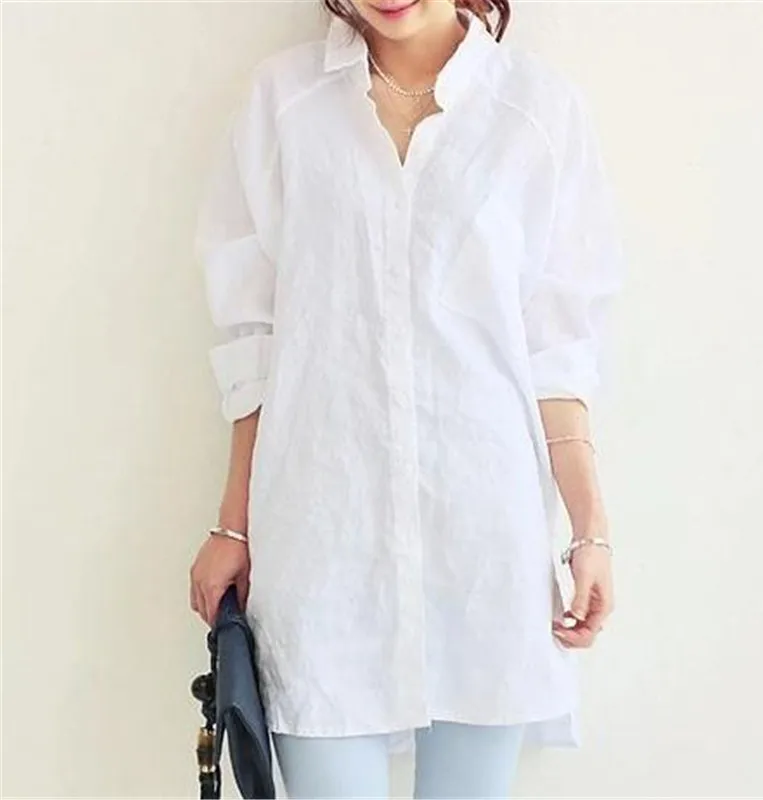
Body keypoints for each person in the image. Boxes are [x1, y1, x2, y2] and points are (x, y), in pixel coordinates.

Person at [189, 0, 624, 797]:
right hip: (323, 538)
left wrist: (589, 531)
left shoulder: (538, 112)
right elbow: (257, 341)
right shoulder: (283, 103)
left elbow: (557, 354)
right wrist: (233, 524)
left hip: (483, 542)